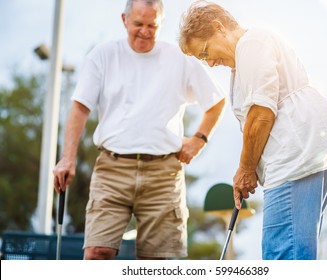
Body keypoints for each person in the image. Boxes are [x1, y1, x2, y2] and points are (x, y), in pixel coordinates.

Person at [178, 0, 327, 260]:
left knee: (283, 255)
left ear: (219, 28)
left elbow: (261, 114)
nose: (209, 63)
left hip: (294, 157)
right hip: (301, 156)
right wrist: (248, 168)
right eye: (201, 60)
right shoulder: (245, 58)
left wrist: (246, 169)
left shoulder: (252, 44)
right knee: (292, 252)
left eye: (204, 53)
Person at [53, 0, 226, 260]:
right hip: (112, 170)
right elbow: (79, 108)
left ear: (161, 24)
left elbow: (216, 101)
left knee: (154, 263)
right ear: (124, 19)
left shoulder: (179, 58)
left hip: (163, 174)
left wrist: (199, 140)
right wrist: (67, 158)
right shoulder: (103, 55)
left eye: (151, 25)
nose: (144, 31)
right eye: (138, 24)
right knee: (97, 252)